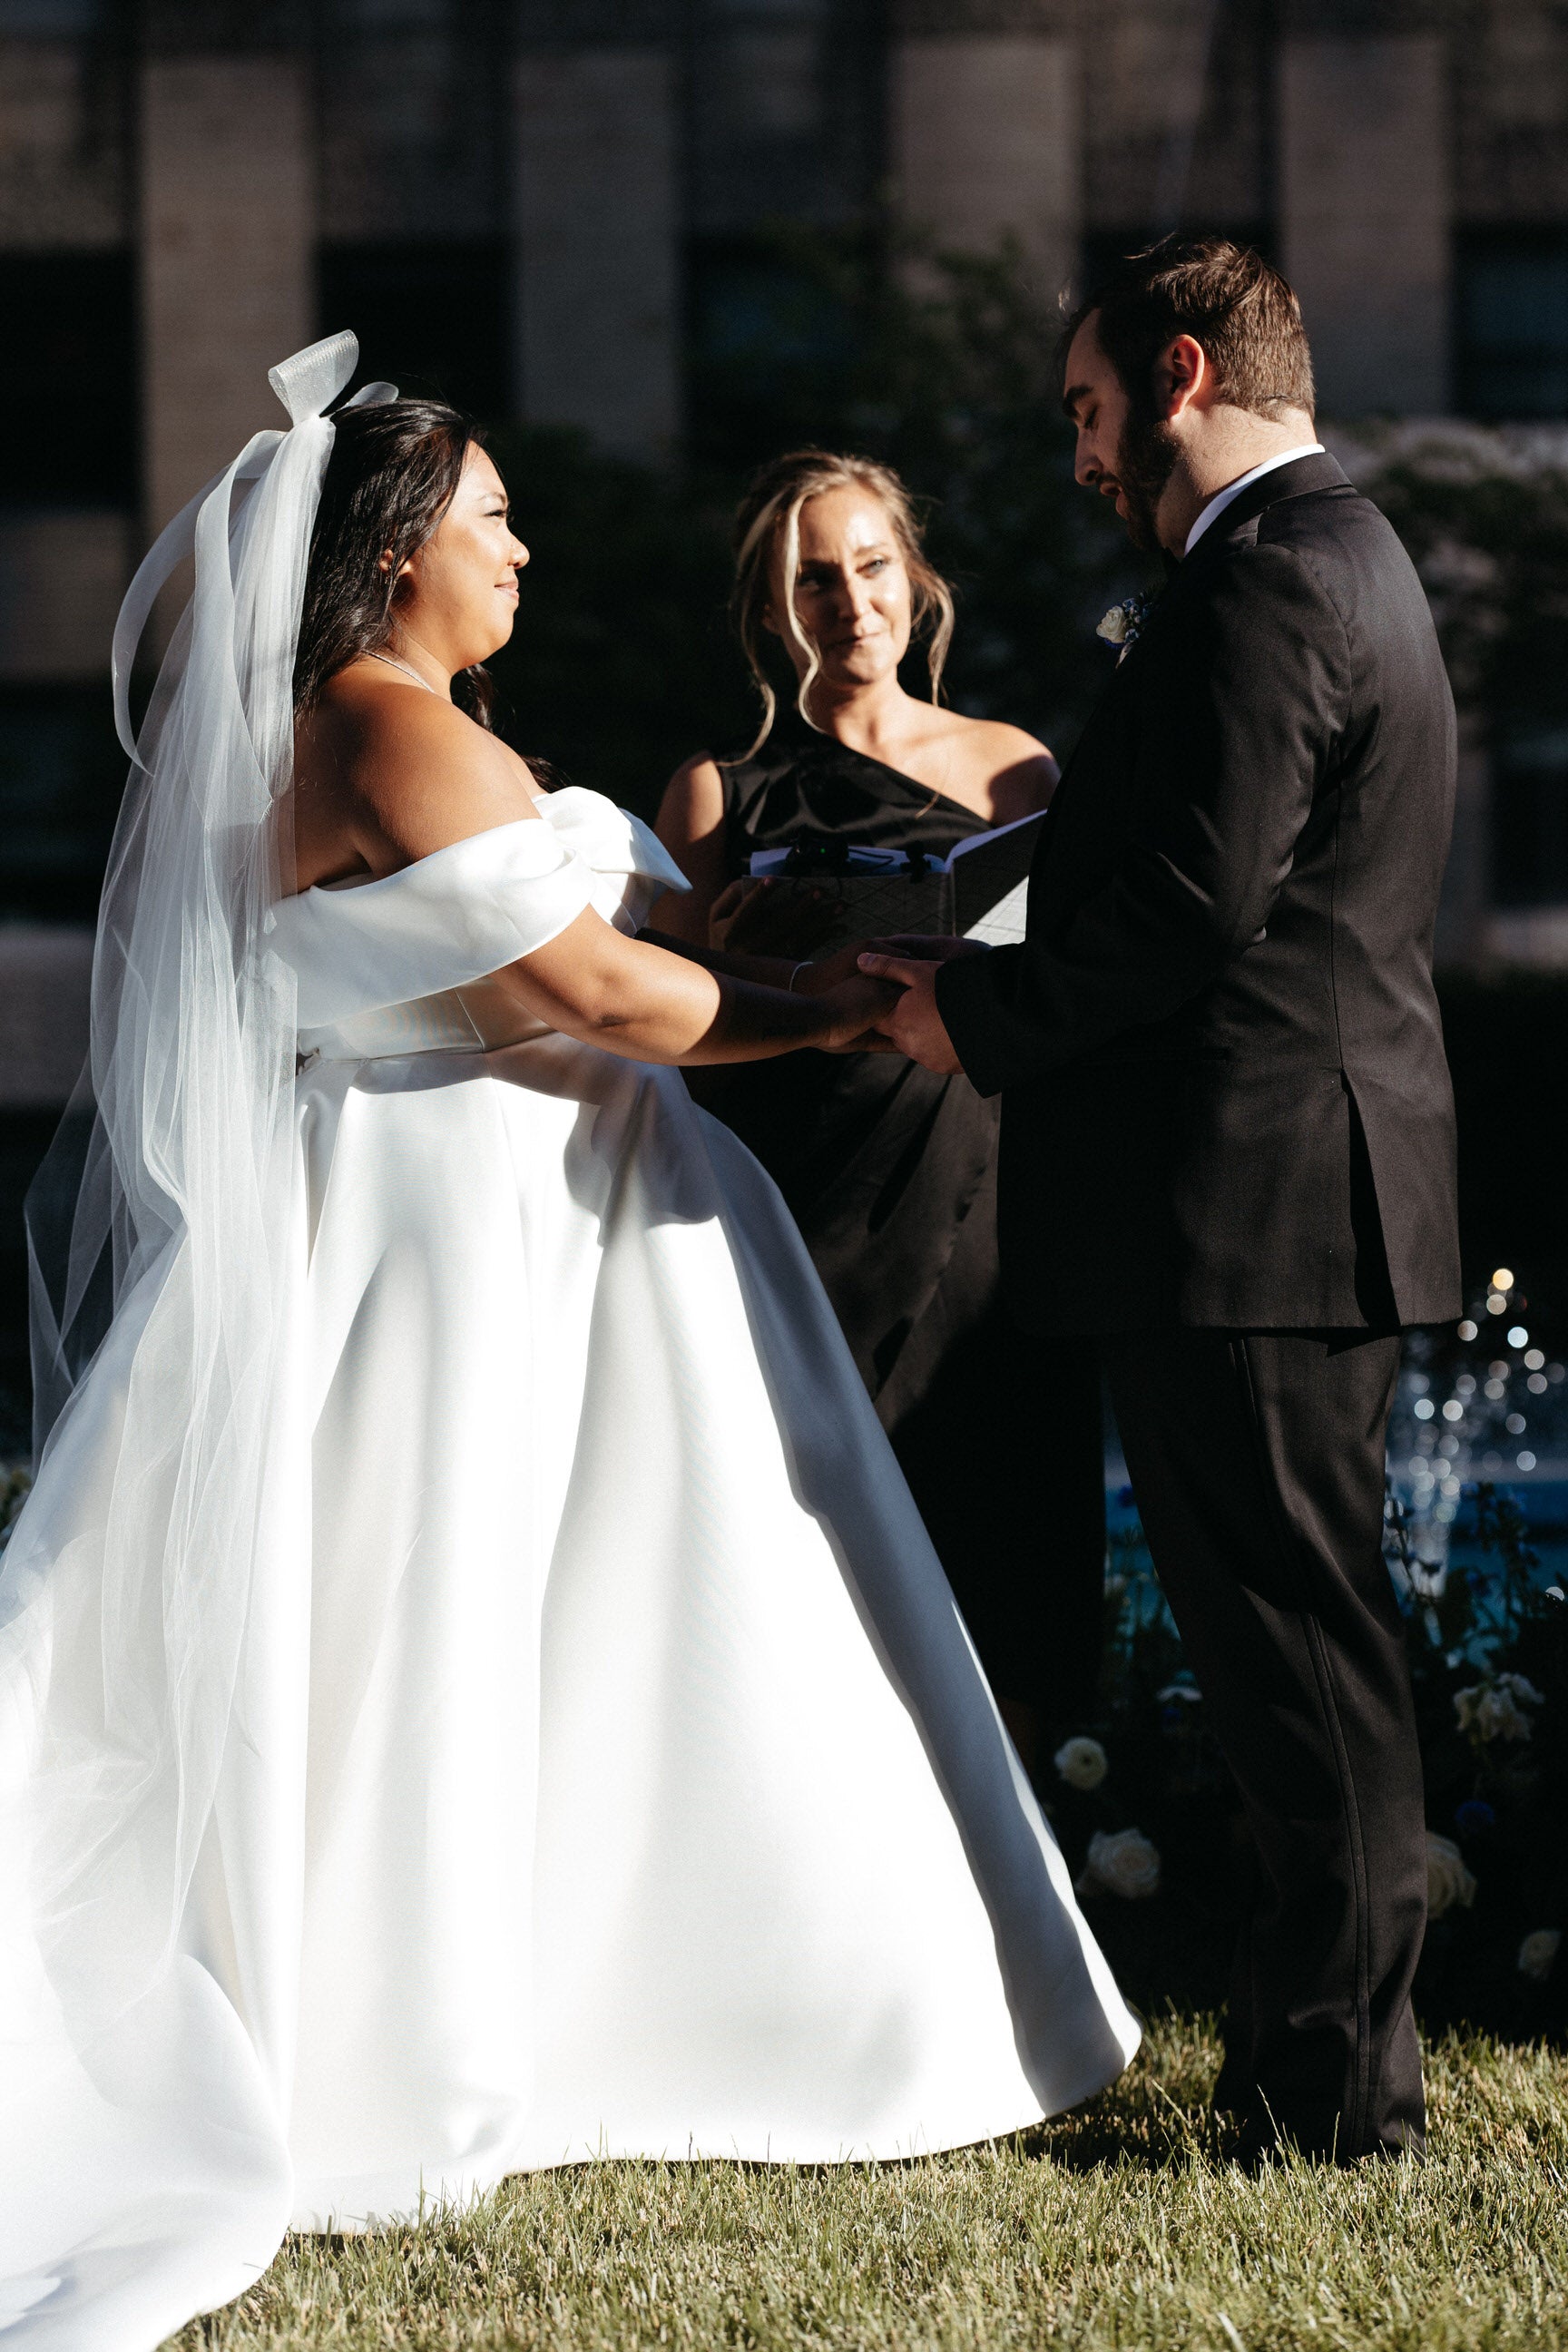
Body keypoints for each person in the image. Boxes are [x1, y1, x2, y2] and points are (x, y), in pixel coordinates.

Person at [0, 335, 1137, 2352]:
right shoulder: (383, 725)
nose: (521, 547)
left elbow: (623, 956)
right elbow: (598, 999)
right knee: (466, 1627)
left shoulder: (376, 725)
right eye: (493, 519)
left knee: (426, 1634)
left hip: (474, 1221)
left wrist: (775, 941)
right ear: (393, 556)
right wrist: (860, 1013)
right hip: (465, 1240)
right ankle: (484, 2039)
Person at [864, 237, 1460, 2166]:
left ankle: (1329, 2102)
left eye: (1089, 411)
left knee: (1299, 1653)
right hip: (1289, 1200)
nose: (1079, 457)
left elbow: (1195, 908)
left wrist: (976, 1017)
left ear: (1181, 369)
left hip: (1256, 1208)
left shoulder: (1268, 585)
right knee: (1307, 1643)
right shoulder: (1334, 561)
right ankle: (1334, 2074)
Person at [652, 451, 1106, 1773]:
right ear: (769, 607)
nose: (849, 601)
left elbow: (1072, 987)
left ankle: (1029, 1863)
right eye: (812, 577)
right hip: (804, 1204)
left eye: (869, 565)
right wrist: (738, 956)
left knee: (1002, 1510)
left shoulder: (1019, 771)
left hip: (987, 1198)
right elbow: (657, 1026)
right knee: (805, 1532)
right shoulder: (716, 790)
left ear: (914, 579)